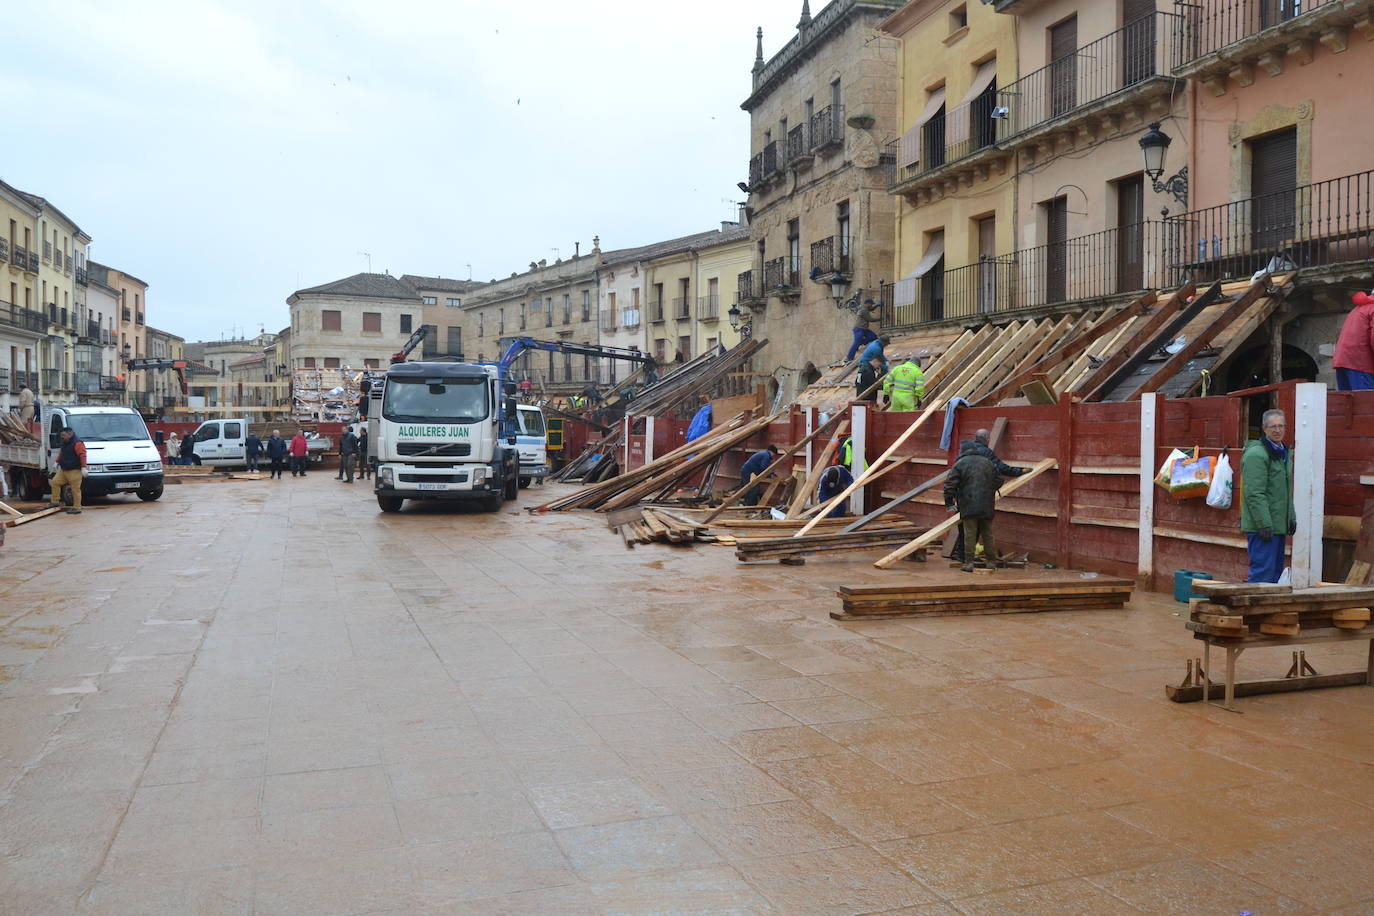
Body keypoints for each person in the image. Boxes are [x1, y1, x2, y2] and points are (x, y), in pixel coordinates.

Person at [950, 430, 1026, 562]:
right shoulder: (985, 454)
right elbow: (1001, 470)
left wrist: (951, 501)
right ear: (986, 438)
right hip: (982, 500)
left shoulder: (963, 455)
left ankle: (962, 556)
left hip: (964, 499)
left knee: (965, 528)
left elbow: (952, 480)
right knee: (981, 531)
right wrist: (1019, 471)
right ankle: (981, 560)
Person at [1240, 408, 1296, 583]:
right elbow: (1254, 493)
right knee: (1262, 572)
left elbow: (1285, 491)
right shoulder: (1257, 454)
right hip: (1262, 526)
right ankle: (1254, 610)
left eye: (1281, 426)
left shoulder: (1283, 453)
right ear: (1264, 429)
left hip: (1277, 525)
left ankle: (1268, 610)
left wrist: (1291, 518)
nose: (1277, 430)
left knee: (1274, 573)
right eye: (1273, 427)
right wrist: (1263, 524)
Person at [945, 438, 1003, 573]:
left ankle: (969, 562)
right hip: (987, 504)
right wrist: (989, 490)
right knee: (987, 534)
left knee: (969, 534)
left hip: (968, 504)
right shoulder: (988, 462)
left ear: (963, 450)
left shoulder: (960, 464)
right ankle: (991, 562)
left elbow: (949, 486)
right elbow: (999, 479)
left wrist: (949, 503)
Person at [1333, 290, 1374, 391]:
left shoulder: (1359, 308)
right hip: (1360, 363)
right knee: (1366, 403)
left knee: (1347, 402)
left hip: (1343, 361)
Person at [48, 426, 86, 515]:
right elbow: (62, 453)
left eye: (63, 435)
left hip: (75, 470)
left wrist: (84, 467)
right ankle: (55, 502)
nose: (62, 437)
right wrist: (56, 463)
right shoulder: (65, 442)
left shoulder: (77, 443)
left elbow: (82, 455)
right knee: (55, 482)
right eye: (61, 435)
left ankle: (77, 507)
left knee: (75, 489)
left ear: (70, 434)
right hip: (64, 469)